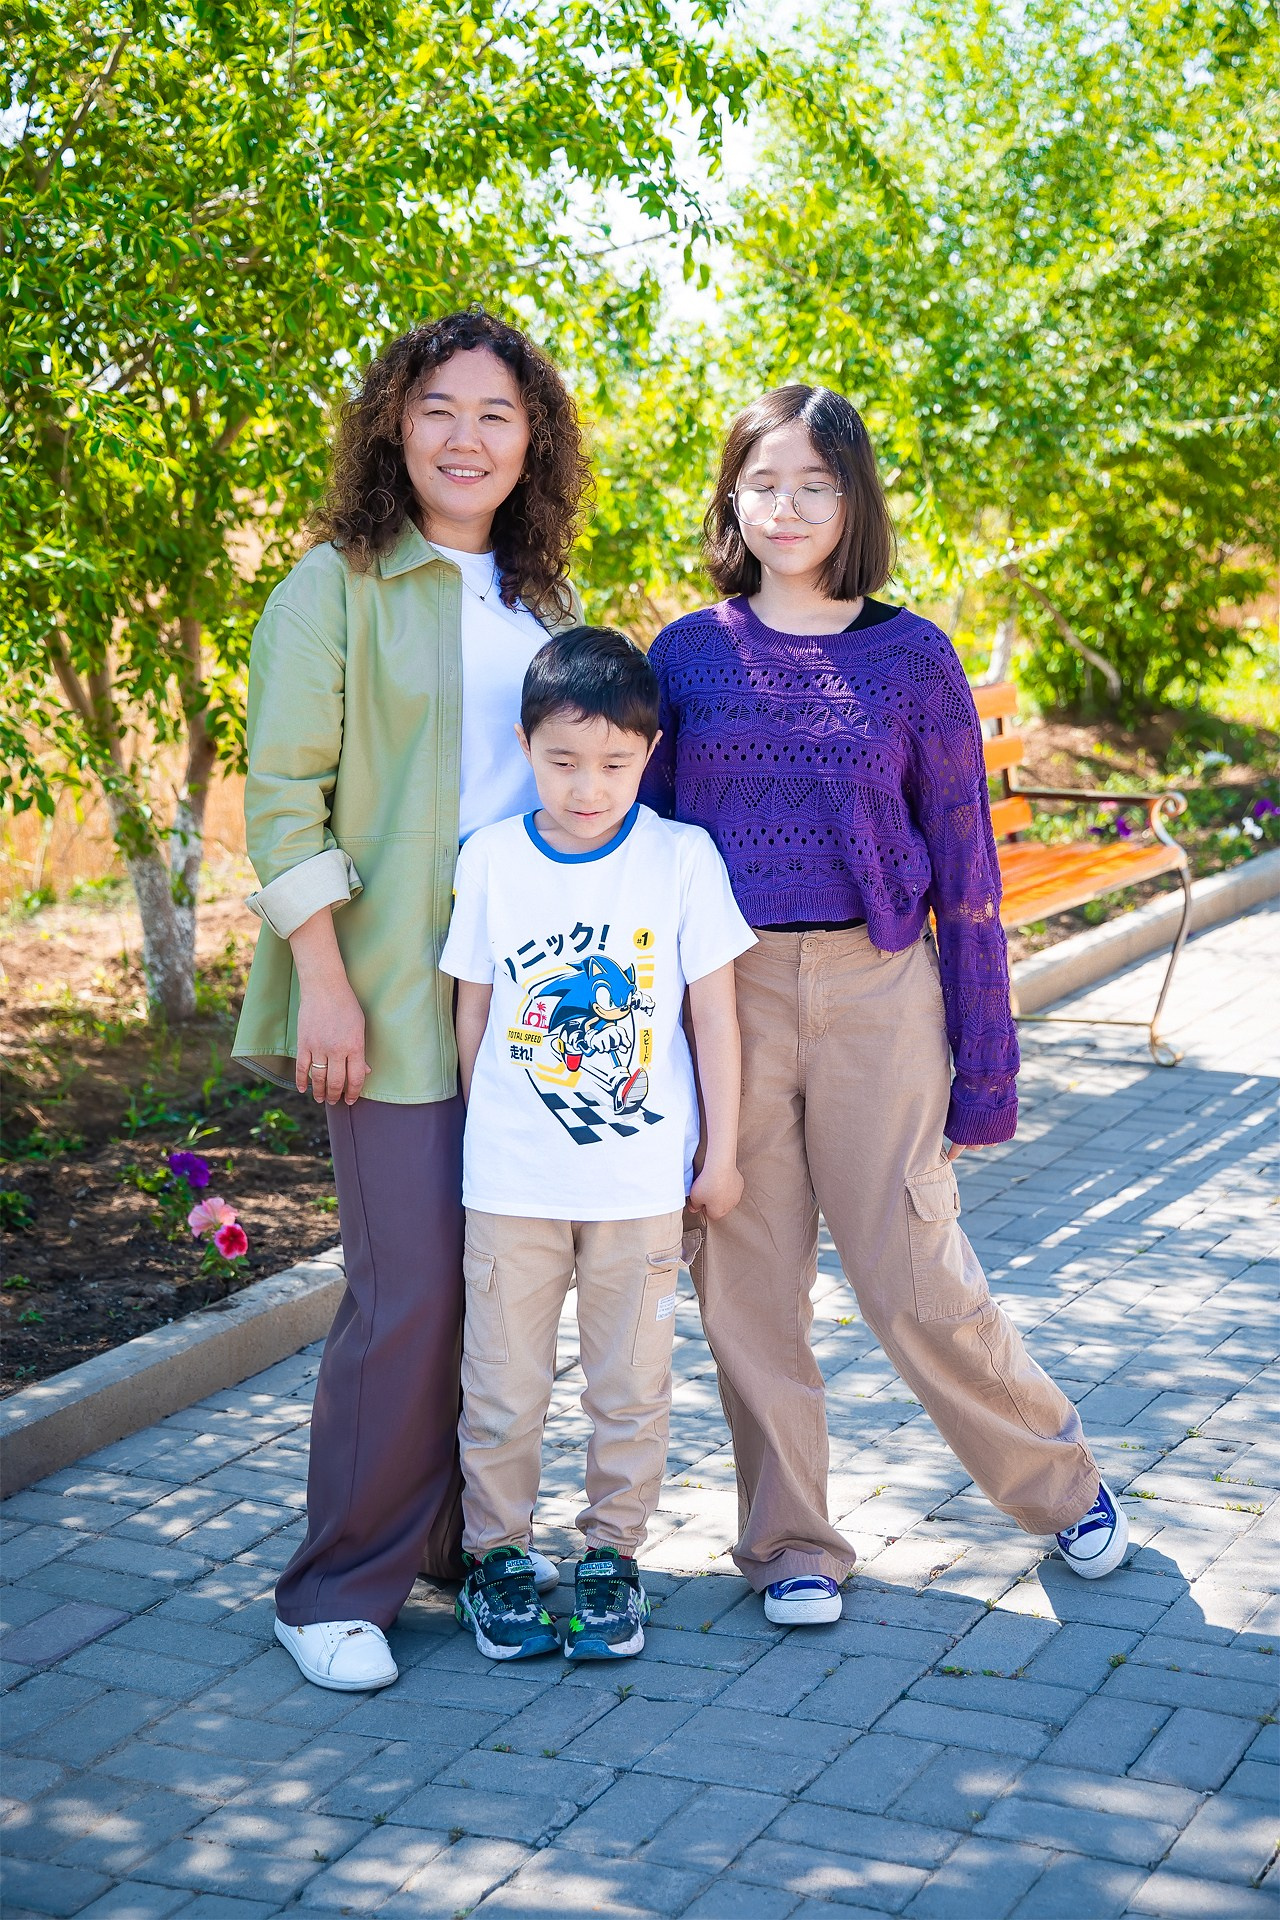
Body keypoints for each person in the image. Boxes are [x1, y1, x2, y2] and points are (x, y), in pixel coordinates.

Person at [642, 384, 1129, 1627]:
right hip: (727, 1002)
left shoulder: (912, 657)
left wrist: (985, 1068)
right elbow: (641, 852)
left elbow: (965, 871)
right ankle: (790, 1542)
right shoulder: (684, 654)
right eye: (762, 483)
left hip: (877, 992)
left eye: (814, 484)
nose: (785, 507)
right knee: (745, 1286)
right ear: (731, 498)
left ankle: (1059, 1482)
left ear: (852, 499)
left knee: (912, 1273)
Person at [232, 308, 590, 1691]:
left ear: (532, 441)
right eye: (438, 407)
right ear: (394, 421)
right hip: (382, 992)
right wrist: (323, 985)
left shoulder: (542, 600)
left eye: (496, 414)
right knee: (408, 1294)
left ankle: (446, 1542)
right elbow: (282, 801)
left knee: (493, 1289)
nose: (465, 437)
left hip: (526, 1007)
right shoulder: (334, 586)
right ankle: (333, 1587)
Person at [439, 626, 754, 1661]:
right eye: (563, 761)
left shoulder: (681, 858)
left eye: (615, 765)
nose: (588, 788)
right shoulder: (491, 859)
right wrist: (486, 1136)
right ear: (525, 747)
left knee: (630, 1387)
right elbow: (473, 1015)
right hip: (512, 1187)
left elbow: (714, 1017)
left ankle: (613, 1556)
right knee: (502, 1386)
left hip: (638, 1185)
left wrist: (721, 1153)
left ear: (649, 754)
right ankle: (497, 1557)